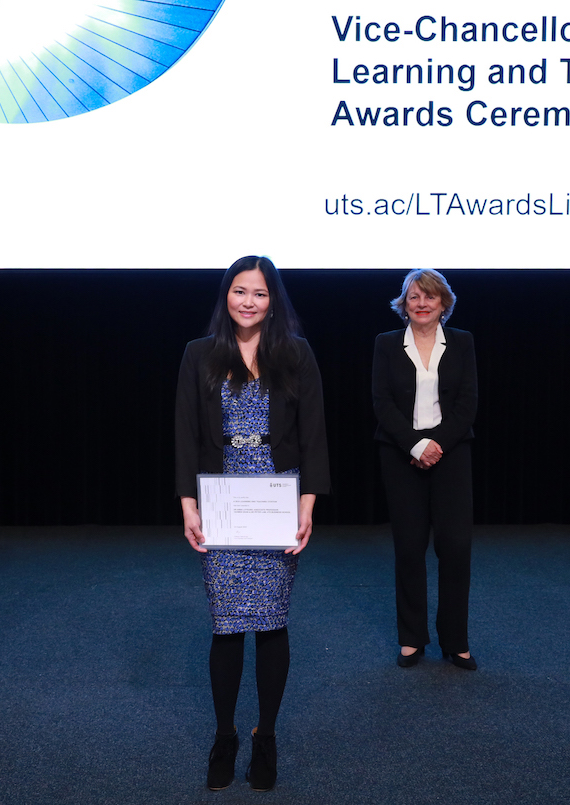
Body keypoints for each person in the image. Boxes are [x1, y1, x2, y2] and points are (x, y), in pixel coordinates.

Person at [175, 256, 330, 792]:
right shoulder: (199, 354)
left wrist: (307, 503)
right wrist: (188, 503)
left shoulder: (295, 353)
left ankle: (267, 736)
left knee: (271, 620)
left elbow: (314, 433)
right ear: (226, 296)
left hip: (276, 495)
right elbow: (185, 434)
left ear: (273, 300)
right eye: (239, 291)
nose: (248, 301)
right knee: (225, 622)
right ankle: (225, 735)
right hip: (220, 497)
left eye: (259, 294)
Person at [372, 269, 478, 671]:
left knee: (454, 548)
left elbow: (468, 403)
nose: (421, 303)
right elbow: (381, 401)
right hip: (400, 452)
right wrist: (415, 444)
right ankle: (411, 639)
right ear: (404, 303)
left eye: (429, 297)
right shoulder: (385, 344)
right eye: (414, 296)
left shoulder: (463, 342)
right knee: (409, 549)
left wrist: (437, 445)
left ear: (443, 303)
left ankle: (457, 641)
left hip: (451, 452)